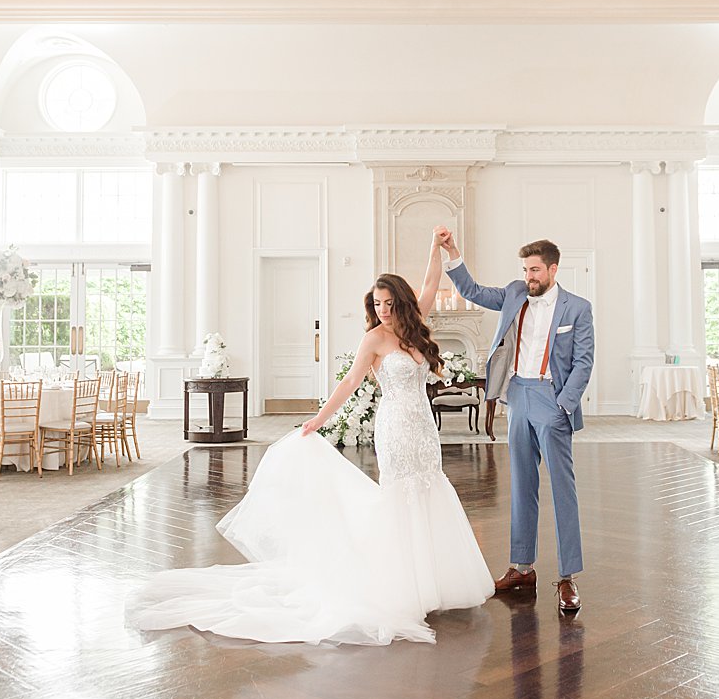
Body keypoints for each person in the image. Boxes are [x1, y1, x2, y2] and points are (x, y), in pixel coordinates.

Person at [130, 229, 493, 645]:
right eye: (377, 305)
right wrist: (317, 419)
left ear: (402, 304)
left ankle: (432, 582)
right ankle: (401, 586)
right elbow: (351, 382)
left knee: (429, 490)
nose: (384, 310)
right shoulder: (373, 338)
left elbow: (431, 284)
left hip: (423, 429)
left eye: (390, 304)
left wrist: (436, 248)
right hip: (393, 428)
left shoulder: (415, 327)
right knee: (400, 496)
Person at [437, 227, 593, 614]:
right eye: (526, 270)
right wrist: (452, 251)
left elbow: (583, 363)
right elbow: (472, 291)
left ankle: (568, 577)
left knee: (562, 490)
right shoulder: (514, 293)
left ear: (553, 269)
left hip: (553, 400)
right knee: (522, 485)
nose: (529, 277)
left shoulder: (577, 308)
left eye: (536, 270)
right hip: (519, 396)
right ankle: (522, 568)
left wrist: (563, 405)